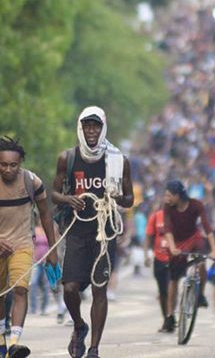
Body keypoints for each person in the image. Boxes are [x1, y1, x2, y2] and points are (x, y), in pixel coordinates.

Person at [52, 106, 134, 358]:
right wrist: (69, 200)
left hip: (104, 233)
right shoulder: (68, 158)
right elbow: (53, 193)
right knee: (69, 288)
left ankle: (95, 348)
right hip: (77, 231)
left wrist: (120, 198)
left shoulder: (117, 160)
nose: (91, 131)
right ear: (80, 127)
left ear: (103, 128)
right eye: (87, 125)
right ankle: (79, 325)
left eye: (96, 126)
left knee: (99, 289)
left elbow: (130, 199)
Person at [0, 136, 58, 358]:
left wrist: (52, 250)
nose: (8, 169)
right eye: (3, 164)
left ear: (20, 163)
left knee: (21, 289)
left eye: (13, 165)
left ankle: (14, 343)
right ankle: (1, 345)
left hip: (21, 244)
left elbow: (46, 216)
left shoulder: (32, 182)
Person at [159, 180, 215, 333]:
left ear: (178, 195)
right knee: (173, 279)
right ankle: (170, 315)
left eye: (169, 195)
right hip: (176, 242)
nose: (166, 198)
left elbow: (207, 227)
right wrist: (172, 247)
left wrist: (214, 249)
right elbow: (167, 229)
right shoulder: (168, 207)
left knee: (201, 261)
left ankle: (200, 294)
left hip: (194, 238)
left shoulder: (196, 205)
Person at [143, 207, 170, 332]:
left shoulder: (180, 217)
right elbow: (148, 236)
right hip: (159, 259)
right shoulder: (156, 216)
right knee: (163, 292)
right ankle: (166, 319)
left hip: (174, 259)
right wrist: (146, 255)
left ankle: (172, 316)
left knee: (171, 290)